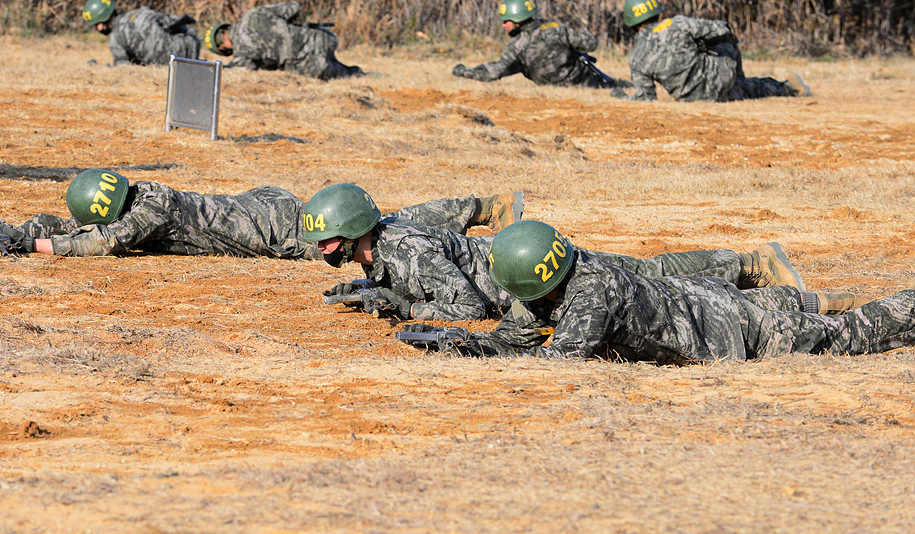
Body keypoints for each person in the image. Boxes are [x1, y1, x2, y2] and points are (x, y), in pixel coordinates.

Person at [302, 184, 851, 323]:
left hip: (535, 272)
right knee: (650, 276)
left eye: (327, 239)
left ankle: (752, 264)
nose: (322, 249)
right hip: (525, 269)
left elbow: (467, 308)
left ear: (353, 232)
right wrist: (370, 289)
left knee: (652, 276)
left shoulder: (410, 251)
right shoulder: (379, 249)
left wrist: (404, 308)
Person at [404, 220, 902, 364]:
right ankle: (809, 299)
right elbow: (517, 334)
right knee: (800, 313)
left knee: (850, 336)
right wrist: (459, 341)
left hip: (727, 330)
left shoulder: (591, 295)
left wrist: (473, 352)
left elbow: (557, 360)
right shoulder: (567, 269)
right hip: (701, 299)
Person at [0, 169, 516, 260]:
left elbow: (100, 241)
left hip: (276, 228)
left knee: (382, 233)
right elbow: (87, 225)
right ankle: (480, 208)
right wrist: (22, 229)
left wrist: (33, 245)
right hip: (262, 205)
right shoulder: (140, 194)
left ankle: (483, 212)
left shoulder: (146, 213)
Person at [623, 0, 810, 102]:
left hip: (691, 98)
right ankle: (784, 87)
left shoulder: (635, 57)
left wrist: (621, 96)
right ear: (656, 12)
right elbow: (720, 29)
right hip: (720, 79)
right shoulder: (677, 23)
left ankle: (752, 85)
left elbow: (646, 97)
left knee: (742, 89)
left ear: (631, 22)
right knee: (726, 40)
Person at [451, 0, 630, 94]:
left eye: (506, 21)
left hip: (558, 94)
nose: (503, 25)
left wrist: (464, 71)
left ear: (518, 21)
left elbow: (493, 72)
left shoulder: (517, 46)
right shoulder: (557, 28)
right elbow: (591, 43)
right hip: (589, 86)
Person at [203, 2, 363, 80]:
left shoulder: (242, 55)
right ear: (228, 26)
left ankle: (360, 74)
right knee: (354, 73)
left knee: (349, 74)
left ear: (223, 48)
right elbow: (294, 6)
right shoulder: (254, 14)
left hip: (313, 65)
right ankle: (372, 75)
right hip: (322, 38)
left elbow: (241, 72)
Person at [82, 0, 200, 66]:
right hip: (191, 48)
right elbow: (172, 22)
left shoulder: (115, 39)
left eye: (96, 25)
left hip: (169, 64)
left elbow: (123, 67)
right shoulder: (141, 13)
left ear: (101, 23)